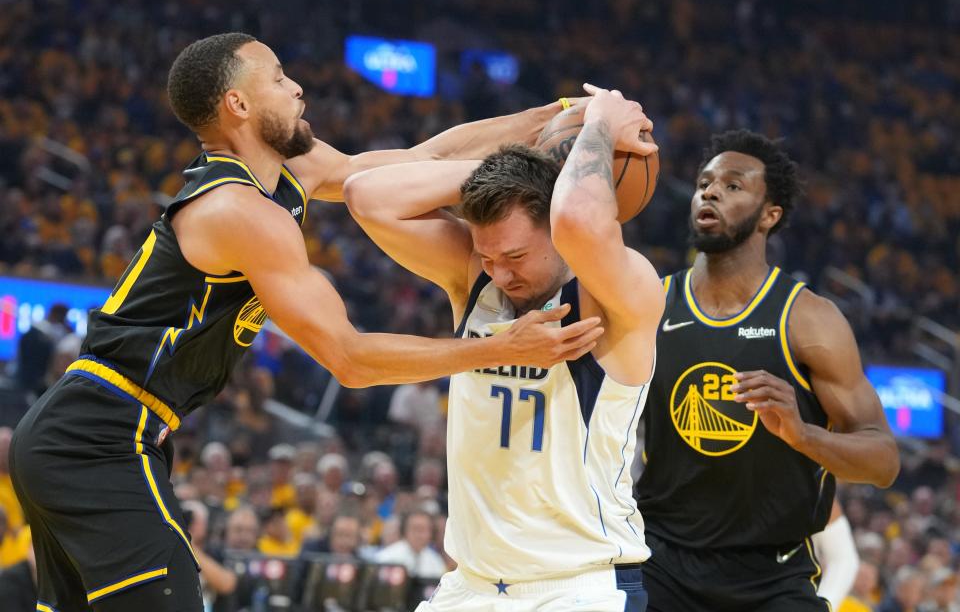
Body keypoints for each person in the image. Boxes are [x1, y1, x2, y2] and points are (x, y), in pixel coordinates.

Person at [9, 32, 602, 612]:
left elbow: (418, 164)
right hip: (96, 435)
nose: (297, 88)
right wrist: (500, 346)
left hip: (101, 433)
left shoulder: (291, 171)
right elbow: (350, 358)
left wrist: (551, 119)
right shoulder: (238, 211)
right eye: (276, 78)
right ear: (238, 105)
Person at [346, 85, 662, 611]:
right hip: (470, 585)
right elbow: (366, 195)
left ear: (554, 228)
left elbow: (582, 222)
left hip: (578, 587)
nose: (500, 272)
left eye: (515, 255)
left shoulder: (613, 297)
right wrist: (522, 167)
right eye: (487, 256)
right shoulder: (478, 281)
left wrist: (599, 124)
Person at [632, 129, 900, 612]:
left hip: (772, 574)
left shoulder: (809, 319)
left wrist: (803, 435)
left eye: (733, 186)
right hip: (660, 563)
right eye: (704, 183)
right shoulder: (651, 303)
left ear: (770, 215)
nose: (710, 192)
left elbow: (883, 461)